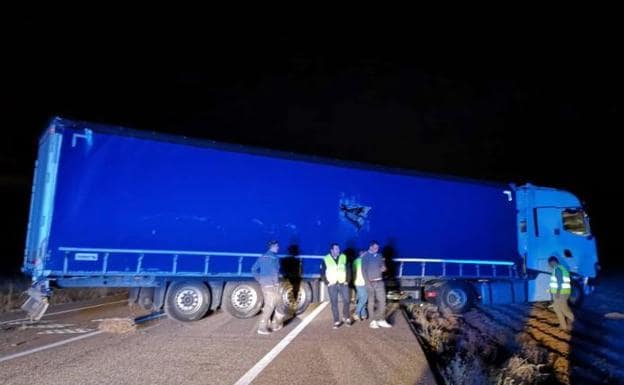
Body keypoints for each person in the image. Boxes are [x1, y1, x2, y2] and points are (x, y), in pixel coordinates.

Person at [251, 240, 285, 334]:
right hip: (272, 285)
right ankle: (263, 327)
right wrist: (276, 283)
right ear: (273, 247)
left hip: (264, 284)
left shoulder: (262, 257)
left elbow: (253, 269)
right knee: (273, 305)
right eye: (277, 246)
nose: (278, 248)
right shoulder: (274, 258)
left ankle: (275, 324)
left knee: (272, 303)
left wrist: (260, 279)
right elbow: (275, 272)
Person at [361, 241, 392, 329]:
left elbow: (383, 267)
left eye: (377, 248)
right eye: (375, 248)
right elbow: (363, 271)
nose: (376, 249)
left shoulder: (379, 256)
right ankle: (372, 321)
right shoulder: (365, 257)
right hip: (370, 282)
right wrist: (367, 283)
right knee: (371, 302)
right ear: (370, 247)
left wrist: (384, 269)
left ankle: (381, 320)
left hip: (380, 282)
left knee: (382, 301)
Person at [321, 243, 352, 328]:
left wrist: (347, 280)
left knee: (346, 301)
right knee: (334, 303)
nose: (338, 250)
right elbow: (322, 272)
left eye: (338, 249)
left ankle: (346, 317)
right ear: (331, 250)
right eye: (336, 249)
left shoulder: (343, 257)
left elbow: (348, 269)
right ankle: (336, 321)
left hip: (343, 283)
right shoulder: (326, 259)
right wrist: (327, 282)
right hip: (332, 284)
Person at [548, 256, 575, 331]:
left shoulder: (558, 269)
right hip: (564, 292)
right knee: (557, 308)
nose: (549, 266)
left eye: (550, 264)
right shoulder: (561, 268)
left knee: (563, 309)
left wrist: (557, 292)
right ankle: (563, 326)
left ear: (553, 262)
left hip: (561, 293)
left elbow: (560, 282)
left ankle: (572, 319)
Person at [353, 250, 369, 321]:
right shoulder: (365, 261)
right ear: (362, 254)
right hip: (363, 283)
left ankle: (363, 314)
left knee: (361, 298)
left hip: (357, 282)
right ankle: (357, 312)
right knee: (364, 298)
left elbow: (354, 271)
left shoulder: (355, 261)